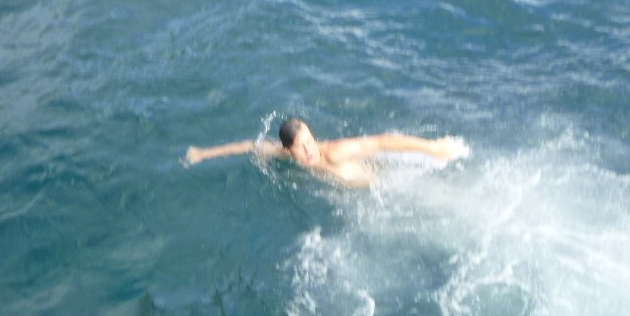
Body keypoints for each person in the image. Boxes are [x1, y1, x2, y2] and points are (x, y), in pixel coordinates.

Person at [184, 118, 469, 187]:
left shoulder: (333, 152)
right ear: (287, 148)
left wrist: (433, 148)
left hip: (387, 183)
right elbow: (248, 145)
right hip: (362, 192)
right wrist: (203, 154)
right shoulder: (283, 154)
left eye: (310, 142)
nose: (309, 151)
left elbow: (382, 141)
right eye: (301, 147)